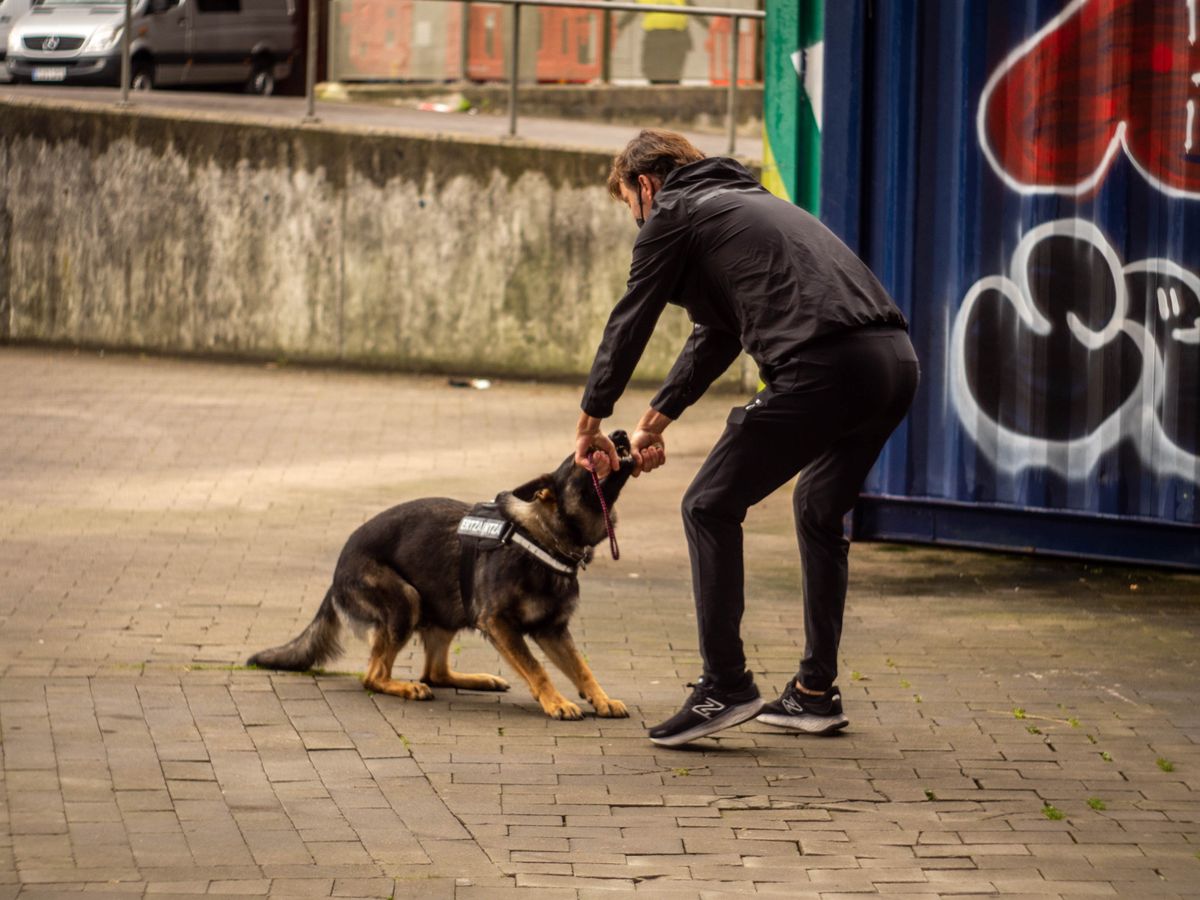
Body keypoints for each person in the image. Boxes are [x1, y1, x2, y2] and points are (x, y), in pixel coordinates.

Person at [573, 129, 919, 748]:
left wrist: (592, 419)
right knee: (817, 509)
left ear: (645, 187)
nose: (636, 220)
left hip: (821, 367)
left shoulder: (673, 211)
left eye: (630, 207)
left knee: (708, 505)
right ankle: (814, 693)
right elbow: (719, 331)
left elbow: (633, 315)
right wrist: (656, 419)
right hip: (892, 363)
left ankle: (724, 685)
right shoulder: (743, 203)